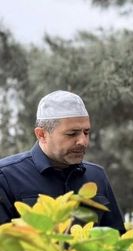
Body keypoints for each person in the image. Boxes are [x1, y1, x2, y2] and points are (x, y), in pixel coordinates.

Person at [0, 90, 125, 232]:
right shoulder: (6, 177)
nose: (83, 141)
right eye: (72, 134)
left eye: (86, 132)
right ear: (42, 135)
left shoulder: (97, 176)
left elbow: (117, 240)